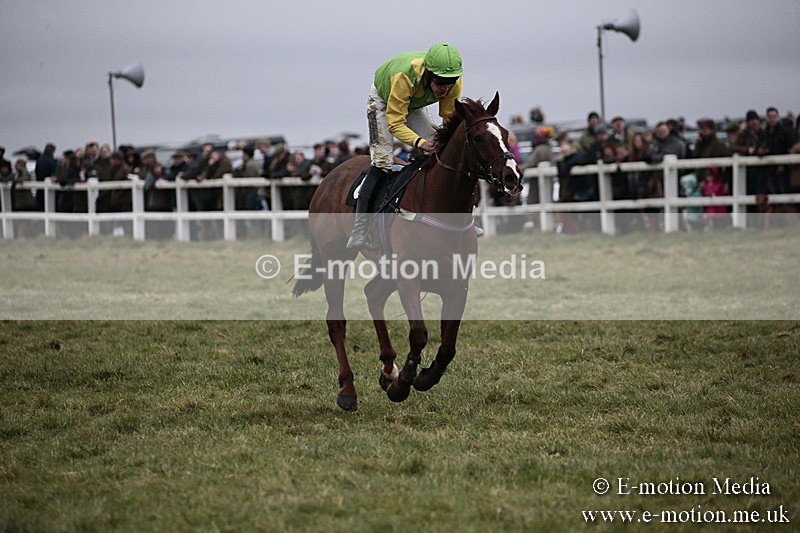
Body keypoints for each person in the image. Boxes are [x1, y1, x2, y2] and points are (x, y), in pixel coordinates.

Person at [347, 42, 464, 250]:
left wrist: (443, 145)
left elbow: (448, 119)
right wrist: (420, 143)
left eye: (450, 82)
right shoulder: (405, 76)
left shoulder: (454, 82)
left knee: (440, 147)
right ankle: (361, 227)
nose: (444, 88)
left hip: (413, 103)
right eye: (439, 82)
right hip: (383, 100)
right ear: (428, 74)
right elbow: (395, 123)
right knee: (382, 161)